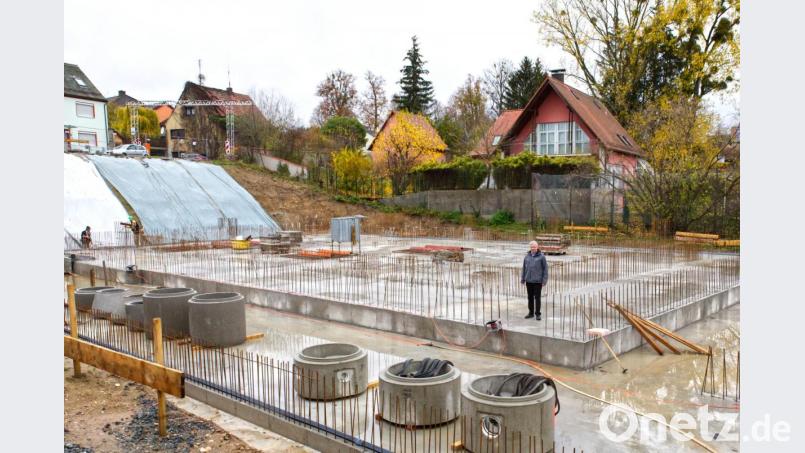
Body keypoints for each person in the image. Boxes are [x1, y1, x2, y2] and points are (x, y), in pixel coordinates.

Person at [521, 240, 548, 320]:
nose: (533, 248)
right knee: (530, 297)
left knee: (537, 298)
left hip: (537, 281)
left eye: (534, 247)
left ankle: (538, 314)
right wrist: (523, 279)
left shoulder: (541, 257)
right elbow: (524, 268)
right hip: (529, 281)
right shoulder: (527, 256)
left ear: (537, 247)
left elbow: (545, 269)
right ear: (530, 247)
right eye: (532, 247)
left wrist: (544, 280)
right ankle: (531, 313)